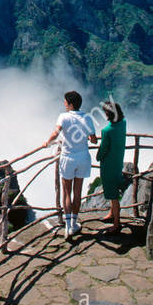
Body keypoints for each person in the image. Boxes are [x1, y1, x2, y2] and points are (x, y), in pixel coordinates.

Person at [40, 90, 96, 239]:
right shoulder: (87, 118)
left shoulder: (63, 117)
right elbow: (94, 139)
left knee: (66, 192)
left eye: (65, 102)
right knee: (77, 192)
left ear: (71, 104)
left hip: (68, 158)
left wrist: (47, 142)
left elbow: (56, 133)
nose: (64, 104)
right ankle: (75, 224)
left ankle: (68, 226)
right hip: (83, 157)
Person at [97, 100, 128, 234]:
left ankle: (116, 224)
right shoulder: (123, 124)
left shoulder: (107, 131)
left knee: (113, 194)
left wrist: (98, 157)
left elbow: (103, 149)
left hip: (108, 164)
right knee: (114, 189)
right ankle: (111, 214)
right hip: (118, 161)